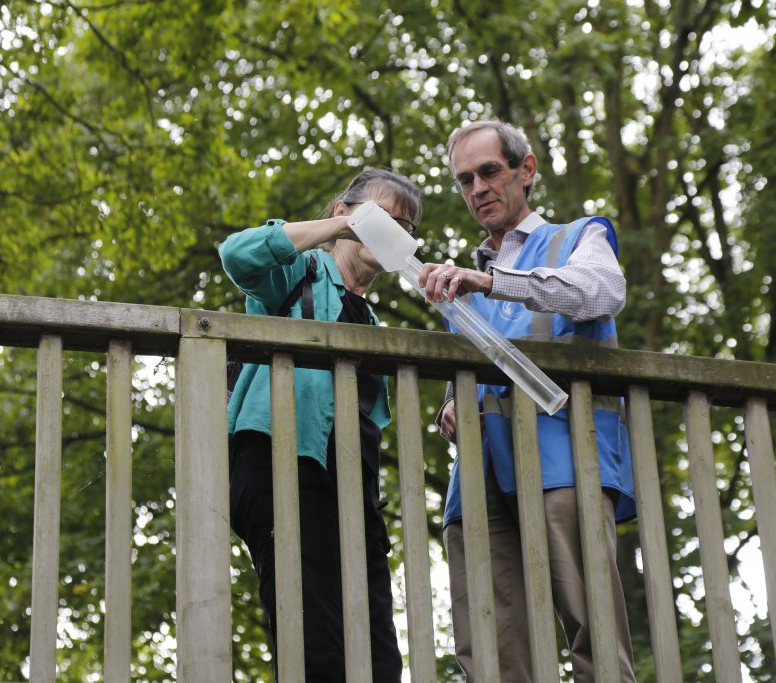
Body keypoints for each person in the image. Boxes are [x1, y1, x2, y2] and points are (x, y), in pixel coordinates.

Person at [418, 120, 637, 682]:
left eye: (489, 171)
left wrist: (494, 281)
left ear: (526, 169)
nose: (477, 188)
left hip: (565, 462)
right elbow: (477, 366)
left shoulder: (576, 238)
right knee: (491, 652)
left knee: (595, 635)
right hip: (477, 486)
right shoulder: (464, 281)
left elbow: (602, 291)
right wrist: (448, 405)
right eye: (465, 180)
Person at [220, 168, 421, 682]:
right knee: (317, 649)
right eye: (382, 218)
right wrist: (337, 230)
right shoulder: (299, 275)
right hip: (283, 467)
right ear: (341, 210)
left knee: (379, 663)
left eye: (405, 227)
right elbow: (238, 255)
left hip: (353, 498)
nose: (393, 232)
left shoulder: (372, 326)